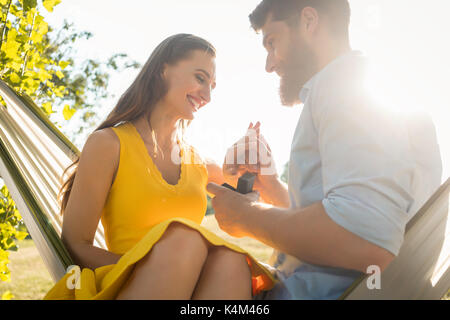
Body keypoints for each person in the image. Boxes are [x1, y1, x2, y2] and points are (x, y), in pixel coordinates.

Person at [207, 0, 443, 300]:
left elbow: (364, 240)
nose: (269, 64)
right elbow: (351, 222)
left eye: (272, 42)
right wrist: (272, 188)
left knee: (199, 260)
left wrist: (246, 216)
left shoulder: (342, 88)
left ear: (309, 21)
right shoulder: (375, 98)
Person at [43, 34, 275, 300]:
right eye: (200, 78)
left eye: (212, 85)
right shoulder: (108, 144)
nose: (208, 96)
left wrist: (248, 168)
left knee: (230, 260)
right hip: (126, 284)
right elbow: (75, 244)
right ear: (163, 70)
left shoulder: (199, 162)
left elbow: (253, 200)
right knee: (184, 239)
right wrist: (154, 270)